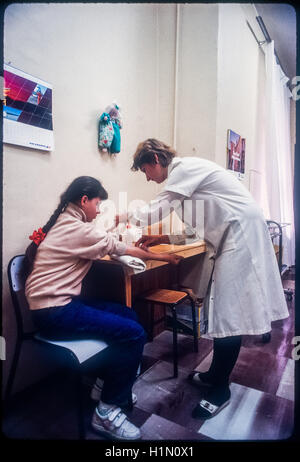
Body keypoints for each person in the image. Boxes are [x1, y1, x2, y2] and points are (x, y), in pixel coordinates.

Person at [116, 138, 289, 420]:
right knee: (224, 313)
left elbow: (155, 210)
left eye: (145, 170)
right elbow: (196, 232)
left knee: (228, 315)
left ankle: (220, 389)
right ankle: (213, 376)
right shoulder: (185, 185)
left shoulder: (183, 168)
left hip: (240, 235)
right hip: (233, 235)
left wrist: (122, 216)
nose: (147, 178)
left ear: (156, 160)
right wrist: (162, 238)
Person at [25, 176, 182, 440]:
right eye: (98, 204)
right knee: (134, 333)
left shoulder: (63, 222)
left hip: (55, 305)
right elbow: (122, 247)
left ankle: (103, 385)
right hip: (54, 312)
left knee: (128, 314)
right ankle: (106, 413)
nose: (99, 211)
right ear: (84, 200)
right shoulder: (78, 229)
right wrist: (163, 256)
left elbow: (107, 243)